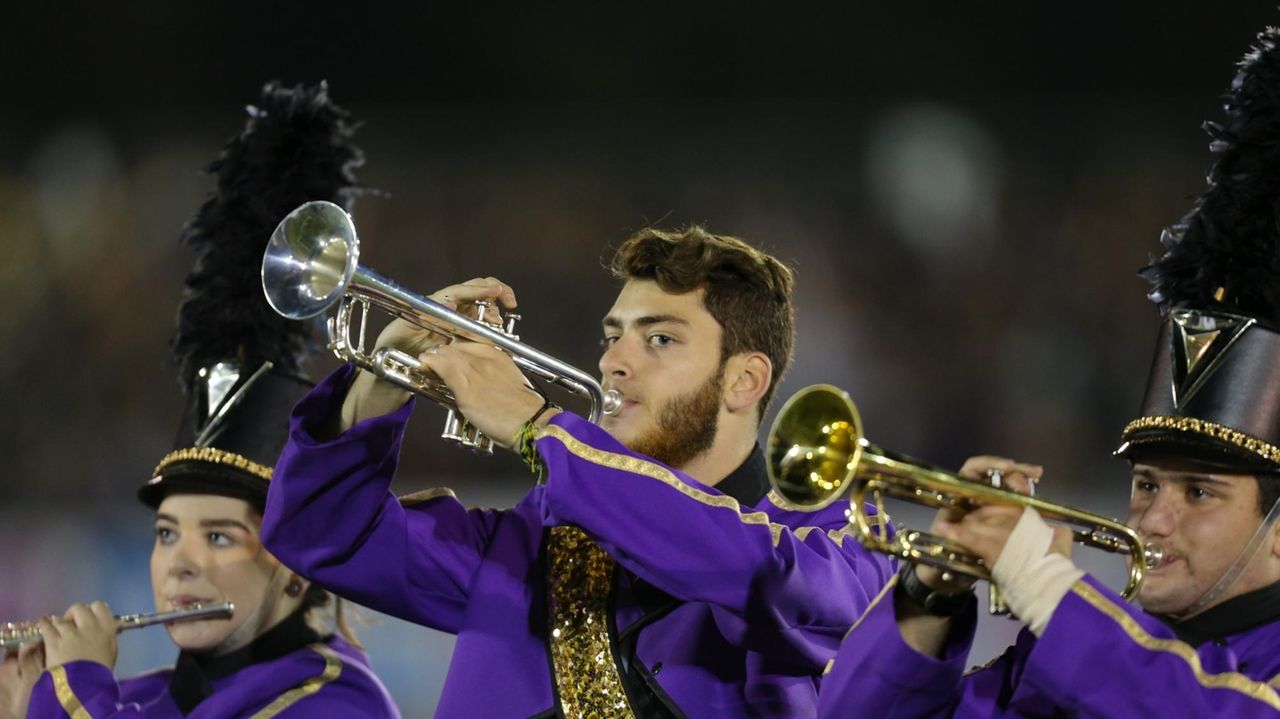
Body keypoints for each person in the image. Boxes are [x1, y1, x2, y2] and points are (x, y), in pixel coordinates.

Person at [817, 25, 1280, 719]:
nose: (1153, 517)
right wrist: (931, 592)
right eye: (1148, 482)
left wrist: (1045, 586)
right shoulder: (1070, 649)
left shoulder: (1091, 641)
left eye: (1200, 493)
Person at [261, 225, 897, 717]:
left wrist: (540, 429)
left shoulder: (841, 537)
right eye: (612, 335)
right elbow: (320, 532)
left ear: (744, 380)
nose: (615, 362)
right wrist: (382, 377)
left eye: (660, 339)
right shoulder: (542, 532)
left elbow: (759, 574)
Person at [0, 81, 400, 719]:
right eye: (166, 533)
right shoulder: (139, 701)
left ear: (295, 567)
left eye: (218, 537)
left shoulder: (338, 703)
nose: (178, 566)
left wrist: (71, 696)